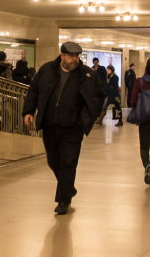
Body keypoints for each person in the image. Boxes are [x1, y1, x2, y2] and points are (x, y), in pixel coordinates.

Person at [22, 41, 106, 215]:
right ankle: (67, 188)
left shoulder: (87, 75)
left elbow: (100, 95)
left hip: (73, 128)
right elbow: (34, 90)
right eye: (71, 56)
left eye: (77, 56)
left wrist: (88, 115)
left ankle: (63, 200)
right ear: (62, 56)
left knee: (68, 163)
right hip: (50, 126)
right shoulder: (47, 70)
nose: (75, 59)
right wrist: (29, 111)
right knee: (54, 161)